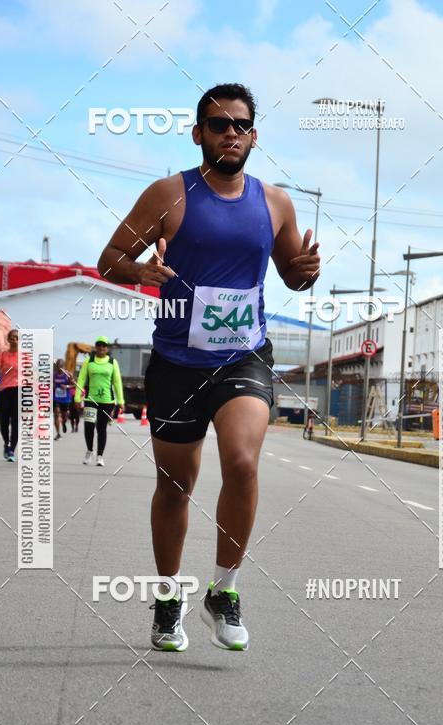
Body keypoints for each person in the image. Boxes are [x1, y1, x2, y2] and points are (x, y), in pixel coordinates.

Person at [97, 83, 321, 652]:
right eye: (219, 125)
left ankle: (225, 589)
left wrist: (306, 271)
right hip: (176, 360)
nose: (230, 133)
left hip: (244, 355)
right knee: (176, 487)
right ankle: (168, 598)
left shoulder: (275, 202)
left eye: (241, 125)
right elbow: (110, 260)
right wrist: (140, 272)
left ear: (253, 135)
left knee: (242, 461)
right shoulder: (169, 195)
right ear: (198, 133)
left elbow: (291, 274)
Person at [74, 337, 124, 466]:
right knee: (89, 426)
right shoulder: (88, 361)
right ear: (95, 347)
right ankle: (89, 451)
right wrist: (77, 397)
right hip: (90, 400)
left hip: (107, 402)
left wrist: (120, 400)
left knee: (101, 428)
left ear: (107, 348)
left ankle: (100, 456)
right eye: (99, 345)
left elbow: (117, 382)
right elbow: (81, 379)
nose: (101, 347)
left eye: (104, 345)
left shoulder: (113, 362)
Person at [0, 329, 19, 461]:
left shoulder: (25, 357)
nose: (15, 340)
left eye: (17, 338)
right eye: (12, 337)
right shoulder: (3, 355)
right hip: (5, 391)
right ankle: (6, 444)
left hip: (19, 391)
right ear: (8, 340)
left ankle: (11, 450)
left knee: (16, 422)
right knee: (3, 422)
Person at [53, 359, 73, 440]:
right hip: (55, 398)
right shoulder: (53, 375)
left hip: (65, 399)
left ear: (64, 366)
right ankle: (58, 433)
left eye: (61, 366)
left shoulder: (68, 375)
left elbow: (74, 385)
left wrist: (67, 386)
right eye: (58, 366)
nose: (59, 368)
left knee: (64, 416)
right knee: (56, 414)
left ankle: (64, 422)